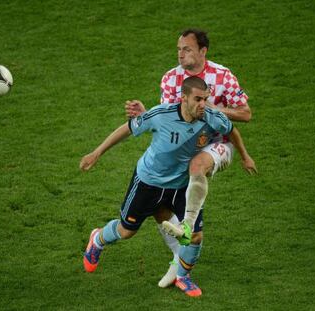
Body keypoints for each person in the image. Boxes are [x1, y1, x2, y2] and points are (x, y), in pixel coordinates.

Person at [80, 77, 257, 297]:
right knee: (126, 231)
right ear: (184, 98)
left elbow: (231, 131)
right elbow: (126, 129)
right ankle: (97, 239)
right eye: (198, 99)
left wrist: (245, 156)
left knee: (195, 236)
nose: (203, 104)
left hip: (182, 184)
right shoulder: (160, 115)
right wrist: (96, 153)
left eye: (206, 99)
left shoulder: (212, 117)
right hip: (148, 182)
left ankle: (183, 276)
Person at [125, 28, 253, 288]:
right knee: (159, 204)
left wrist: (211, 109)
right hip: (183, 146)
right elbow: (171, 118)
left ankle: (187, 233)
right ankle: (178, 257)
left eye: (187, 49)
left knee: (197, 165)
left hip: (217, 142)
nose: (180, 54)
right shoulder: (171, 78)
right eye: (178, 49)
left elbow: (246, 113)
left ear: (203, 51)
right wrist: (146, 114)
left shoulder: (222, 75)